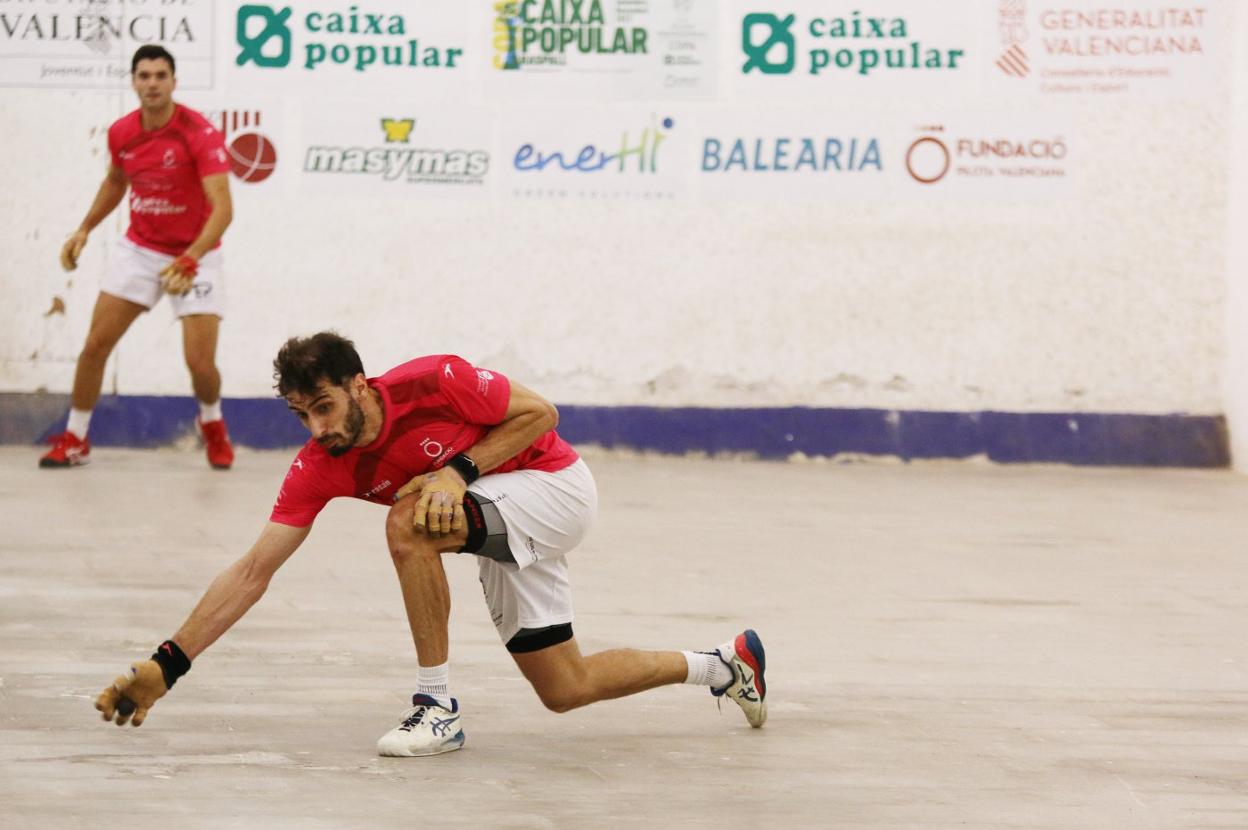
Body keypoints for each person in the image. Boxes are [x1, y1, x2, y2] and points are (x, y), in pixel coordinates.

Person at [94, 332, 768, 756]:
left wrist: (456, 470)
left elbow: (542, 414)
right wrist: (168, 663)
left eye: (324, 406)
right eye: (302, 415)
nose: (317, 427)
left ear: (359, 384)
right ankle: (725, 664)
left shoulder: (434, 380)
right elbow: (252, 571)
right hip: (498, 523)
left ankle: (435, 707)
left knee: (406, 521)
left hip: (555, 490)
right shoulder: (320, 465)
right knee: (566, 688)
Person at [41, 45, 235, 470]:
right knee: (95, 346)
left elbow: (223, 208)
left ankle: (213, 423)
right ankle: (75, 438)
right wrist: (85, 228)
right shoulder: (122, 132)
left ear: (173, 81)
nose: (152, 83)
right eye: (144, 75)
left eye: (160, 75)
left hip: (196, 255)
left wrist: (191, 258)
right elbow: (115, 182)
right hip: (140, 250)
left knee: (200, 364)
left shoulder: (197, 133)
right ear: (133, 81)